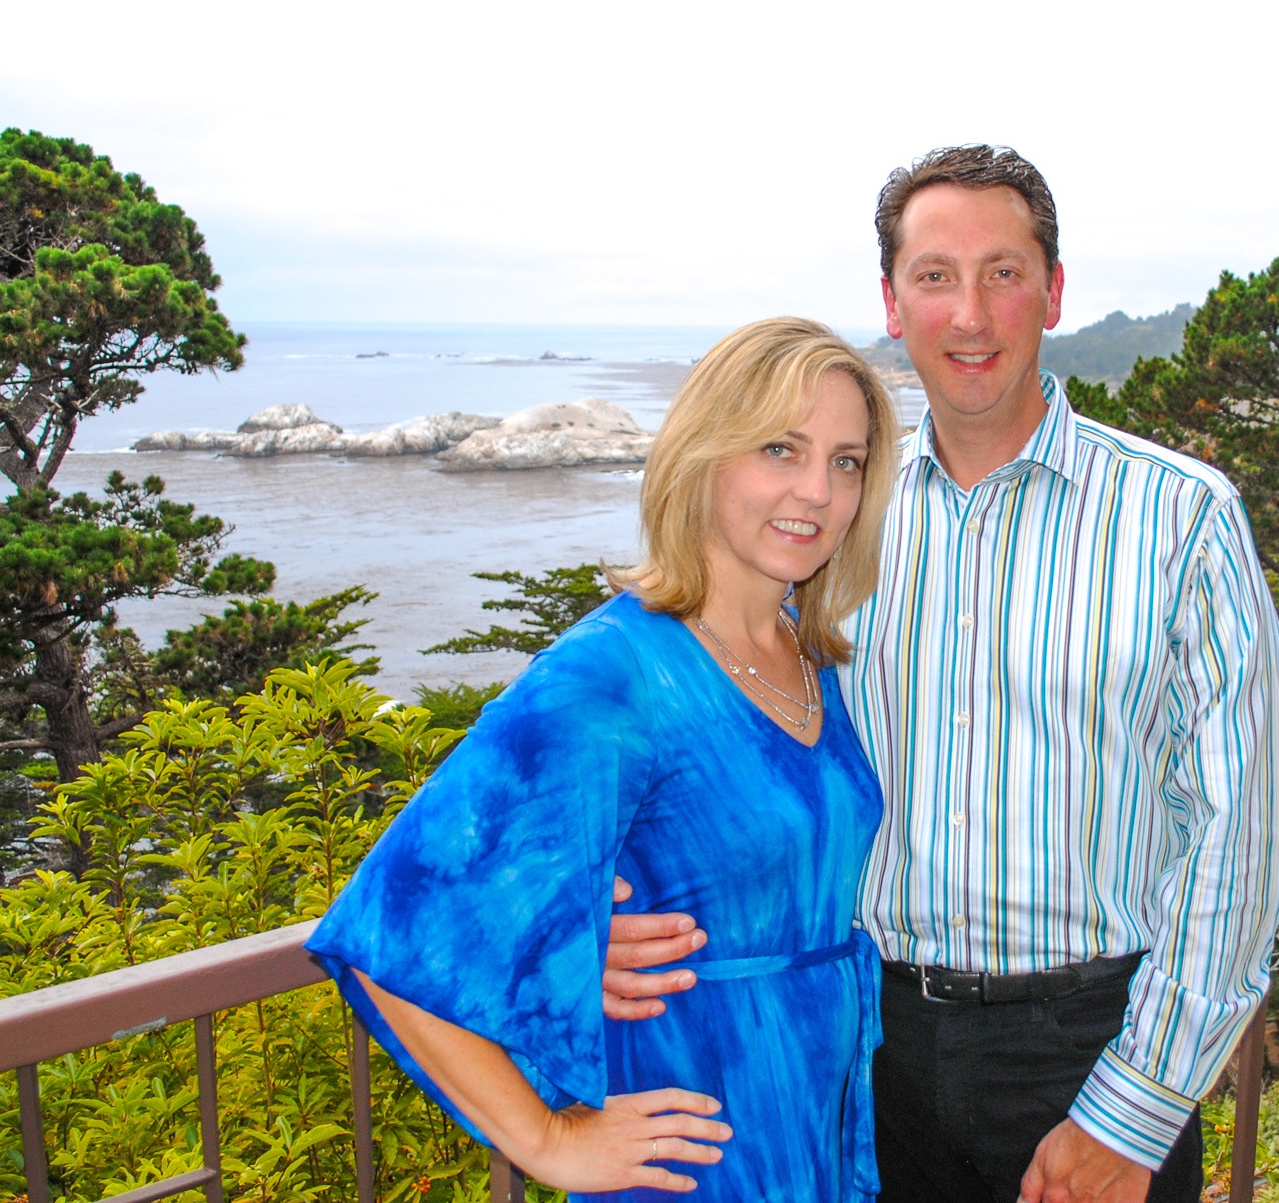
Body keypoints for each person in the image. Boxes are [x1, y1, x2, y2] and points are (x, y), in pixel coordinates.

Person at [605, 147, 1279, 1203]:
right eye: (933, 276)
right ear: (890, 301)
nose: (968, 314)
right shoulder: (831, 514)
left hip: (1090, 1047)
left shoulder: (1179, 520)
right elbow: (697, 710)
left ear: (1053, 291)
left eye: (1002, 272)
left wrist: (1136, 1109)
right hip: (864, 1042)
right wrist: (603, 901)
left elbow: (1234, 839)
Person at [307, 317, 900, 1200]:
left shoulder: (807, 655)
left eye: (845, 460)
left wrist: (579, 937)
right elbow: (394, 929)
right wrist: (547, 1139)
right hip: (697, 1146)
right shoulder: (614, 673)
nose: (816, 489)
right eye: (780, 448)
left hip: (815, 1123)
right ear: (705, 455)